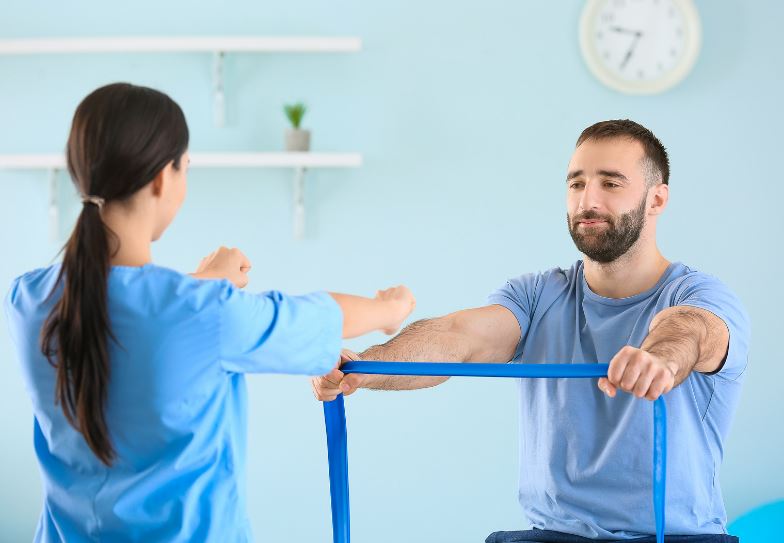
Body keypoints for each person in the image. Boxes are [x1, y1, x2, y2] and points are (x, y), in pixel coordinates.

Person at [4, 82, 415, 542]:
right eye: (186, 167)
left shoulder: (27, 301)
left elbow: (130, 319)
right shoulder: (203, 313)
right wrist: (390, 308)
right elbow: (313, 318)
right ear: (163, 178)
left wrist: (205, 286)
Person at [313, 120, 749, 542]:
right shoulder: (538, 294)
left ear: (656, 200)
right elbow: (459, 338)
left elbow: (691, 331)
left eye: (610, 184)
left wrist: (660, 358)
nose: (587, 201)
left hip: (677, 537)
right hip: (552, 536)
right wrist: (362, 367)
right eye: (576, 183)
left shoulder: (698, 295)